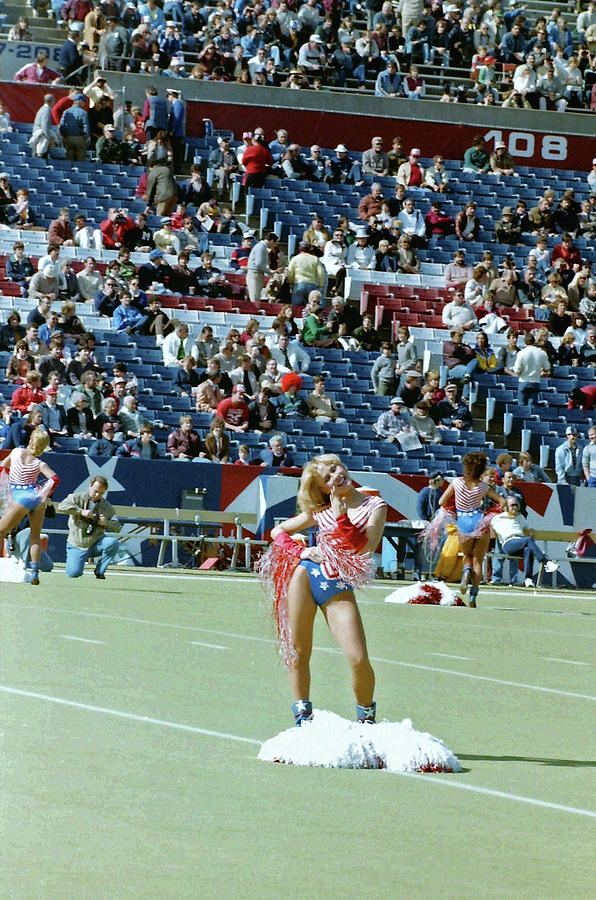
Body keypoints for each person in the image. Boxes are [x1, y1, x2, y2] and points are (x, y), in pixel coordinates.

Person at [256, 453, 386, 726]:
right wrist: (301, 552)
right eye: (327, 477)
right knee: (299, 652)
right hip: (305, 577)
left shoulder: (375, 505)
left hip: (338, 586)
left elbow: (364, 548)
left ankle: (366, 719)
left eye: (335, 468)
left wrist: (341, 518)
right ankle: (302, 716)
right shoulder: (319, 510)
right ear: (323, 488)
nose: (335, 476)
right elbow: (276, 531)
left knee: (358, 658)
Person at [438, 452, 505, 607]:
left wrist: (453, 510)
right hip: (480, 522)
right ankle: (473, 594)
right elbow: (501, 500)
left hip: (463, 522)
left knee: (467, 555)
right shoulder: (483, 487)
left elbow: (442, 501)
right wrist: (494, 514)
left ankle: (466, 571)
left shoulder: (456, 483)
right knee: (478, 560)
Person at [0, 428, 59, 585]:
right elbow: (55, 478)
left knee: (1, 531)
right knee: (35, 537)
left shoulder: (16, 452)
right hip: (36, 497)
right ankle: (34, 572)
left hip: (19, 496)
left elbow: (2, 467)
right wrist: (44, 492)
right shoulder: (39, 463)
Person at [58, 475, 121, 579]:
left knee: (112, 543)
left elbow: (118, 527)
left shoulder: (107, 507)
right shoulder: (76, 498)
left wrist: (106, 523)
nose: (97, 495)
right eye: (96, 491)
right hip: (77, 544)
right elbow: (61, 506)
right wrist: (81, 511)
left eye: (101, 493)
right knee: (73, 573)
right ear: (90, 486)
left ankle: (100, 571)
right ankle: (76, 563)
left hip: (96, 543)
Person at [491, 497, 559, 588]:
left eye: (516, 505)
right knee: (528, 540)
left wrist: (530, 529)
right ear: (506, 507)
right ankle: (546, 562)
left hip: (520, 543)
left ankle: (528, 579)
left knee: (528, 550)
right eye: (512, 505)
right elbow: (489, 523)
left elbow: (528, 526)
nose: (515, 507)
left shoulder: (520, 517)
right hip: (508, 543)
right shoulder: (499, 518)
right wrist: (491, 529)